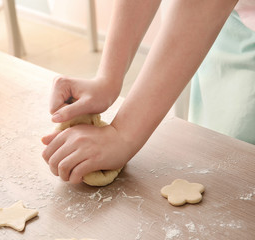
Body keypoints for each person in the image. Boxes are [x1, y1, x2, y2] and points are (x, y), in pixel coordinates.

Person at [41, 0, 255, 184]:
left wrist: (124, 135)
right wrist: (108, 78)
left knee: (239, 167)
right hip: (228, 23)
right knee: (215, 153)